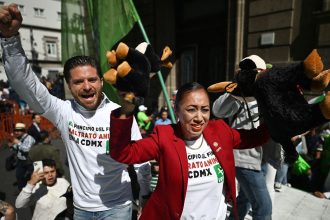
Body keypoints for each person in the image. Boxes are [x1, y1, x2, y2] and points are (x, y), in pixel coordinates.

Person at [0, 4, 145, 219]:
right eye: (78, 82)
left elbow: (140, 160)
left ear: (101, 82)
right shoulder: (63, 111)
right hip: (81, 209)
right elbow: (26, 86)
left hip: (118, 208)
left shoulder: (120, 113)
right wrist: (10, 40)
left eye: (92, 80)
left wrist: (143, 198)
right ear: (69, 85)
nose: (86, 86)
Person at [109, 82, 270, 220]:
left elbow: (257, 137)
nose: (199, 117)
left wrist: (270, 99)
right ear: (177, 110)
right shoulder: (164, 136)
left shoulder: (220, 131)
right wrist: (125, 111)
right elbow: (123, 153)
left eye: (204, 110)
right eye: (191, 109)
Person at [213, 92, 272, 220]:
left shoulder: (269, 96)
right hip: (245, 159)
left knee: (244, 200)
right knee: (263, 207)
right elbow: (217, 110)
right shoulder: (241, 97)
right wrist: (236, 89)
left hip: (263, 159)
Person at [7, 122, 36, 190]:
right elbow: (17, 148)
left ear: (23, 130)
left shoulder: (29, 138)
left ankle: (34, 189)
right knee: (19, 175)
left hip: (28, 160)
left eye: (18, 130)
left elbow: (27, 149)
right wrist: (12, 146)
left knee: (33, 175)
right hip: (20, 160)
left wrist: (18, 143)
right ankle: (21, 189)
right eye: (15, 130)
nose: (16, 132)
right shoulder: (19, 138)